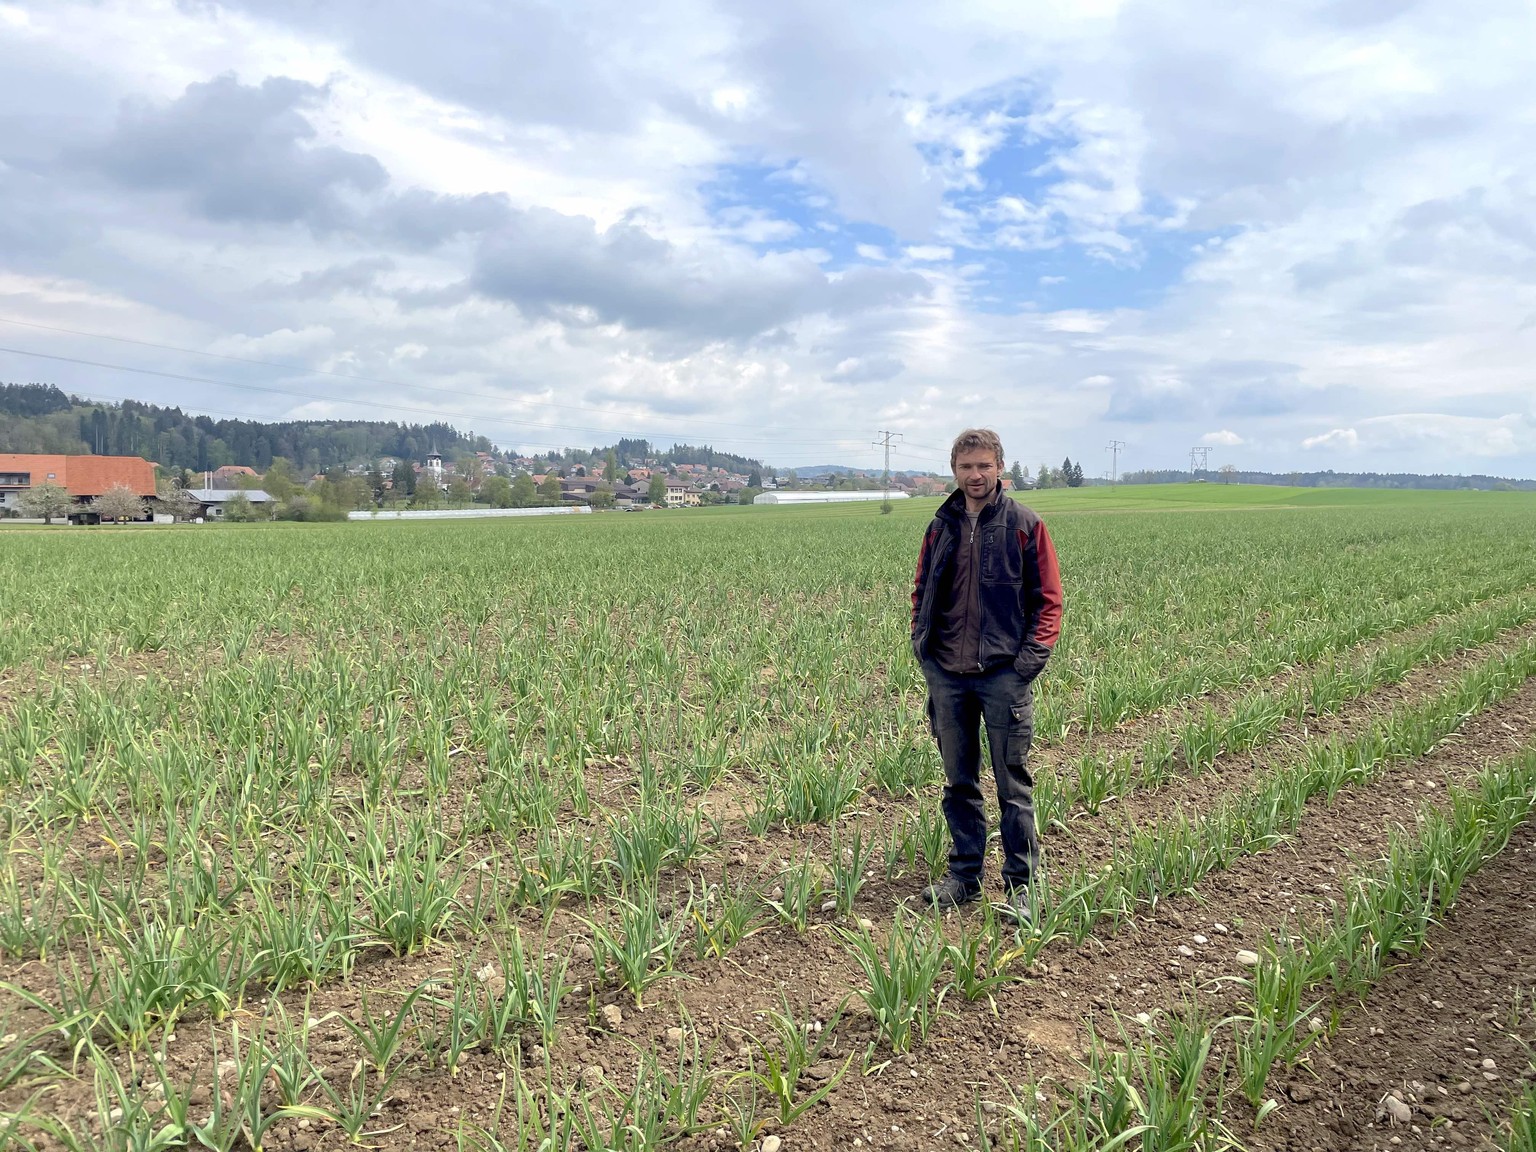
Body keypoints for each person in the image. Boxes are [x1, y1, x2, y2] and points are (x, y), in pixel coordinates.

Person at [909, 428, 1063, 924]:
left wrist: (1025, 667)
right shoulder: (942, 525)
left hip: (1002, 676)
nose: (975, 475)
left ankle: (1022, 888)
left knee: (1012, 784)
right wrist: (924, 650)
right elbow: (921, 590)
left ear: (1000, 468)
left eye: (984, 466)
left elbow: (1049, 602)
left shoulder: (1024, 524)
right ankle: (965, 876)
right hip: (948, 675)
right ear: (953, 470)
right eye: (966, 466)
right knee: (958, 783)